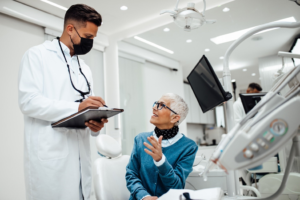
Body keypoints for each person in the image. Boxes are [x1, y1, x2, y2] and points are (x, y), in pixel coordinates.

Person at [18, 4, 107, 200]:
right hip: (51, 162)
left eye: (93, 38)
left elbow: (86, 108)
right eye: (88, 36)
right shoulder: (37, 55)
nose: (90, 42)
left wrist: (95, 123)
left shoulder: (84, 68)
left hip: (81, 159)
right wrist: (77, 108)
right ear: (70, 29)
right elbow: (28, 102)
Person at [126, 93, 198, 200]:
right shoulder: (140, 139)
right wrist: (143, 196)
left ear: (174, 118)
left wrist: (161, 161)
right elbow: (131, 175)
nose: (154, 107)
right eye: (156, 103)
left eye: (161, 105)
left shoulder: (189, 147)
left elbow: (177, 187)